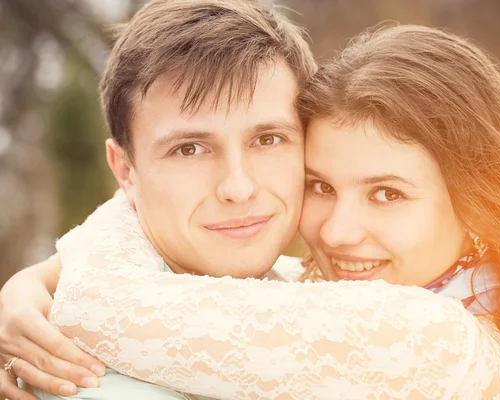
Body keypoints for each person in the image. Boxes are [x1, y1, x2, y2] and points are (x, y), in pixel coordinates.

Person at [2, 19, 500, 400]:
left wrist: (33, 284)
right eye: (320, 186)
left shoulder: (438, 340)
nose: (337, 230)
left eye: (388, 194)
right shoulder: (296, 291)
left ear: (477, 202)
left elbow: (100, 307)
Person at [0, 0, 316, 398]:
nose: (238, 188)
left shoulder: (307, 283)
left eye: (268, 139)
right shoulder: (90, 369)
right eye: (189, 149)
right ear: (126, 172)